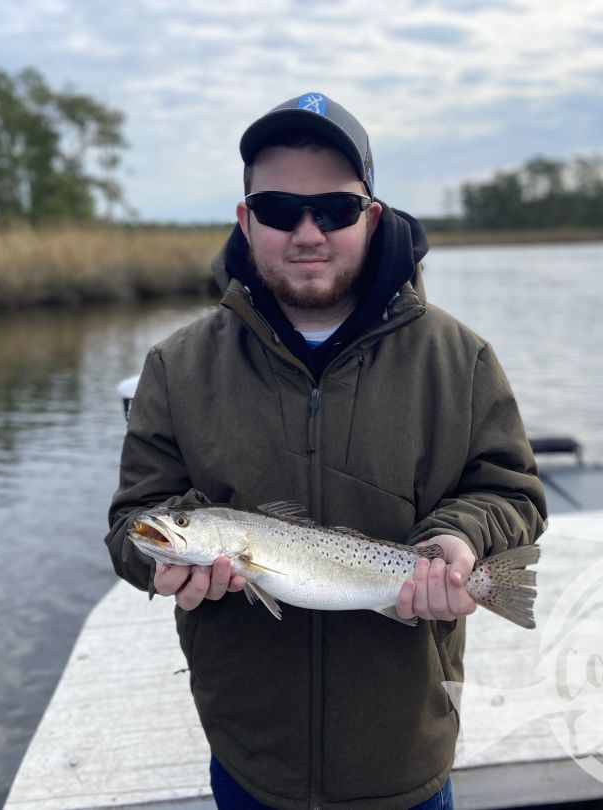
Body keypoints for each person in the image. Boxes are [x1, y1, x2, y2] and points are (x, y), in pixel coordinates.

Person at [105, 91, 547, 810]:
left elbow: (513, 492)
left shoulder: (457, 358)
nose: (306, 231)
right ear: (246, 222)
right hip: (252, 760)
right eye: (279, 209)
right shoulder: (176, 366)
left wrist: (462, 539)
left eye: (334, 211)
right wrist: (156, 557)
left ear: (370, 218)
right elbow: (134, 523)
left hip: (404, 757)